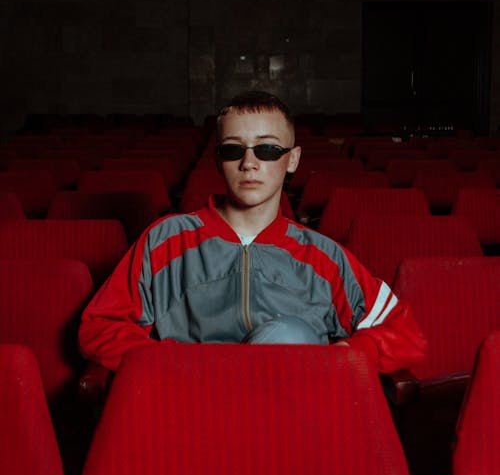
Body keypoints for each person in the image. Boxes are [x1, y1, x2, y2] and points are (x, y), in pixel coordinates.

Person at [78, 90, 427, 373]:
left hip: (295, 411)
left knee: (291, 335)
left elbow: (404, 334)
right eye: (234, 150)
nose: (250, 163)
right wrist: (172, 364)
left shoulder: (324, 256)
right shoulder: (165, 239)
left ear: (292, 159)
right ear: (217, 160)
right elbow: (100, 327)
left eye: (268, 149)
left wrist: (344, 355)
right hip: (191, 404)